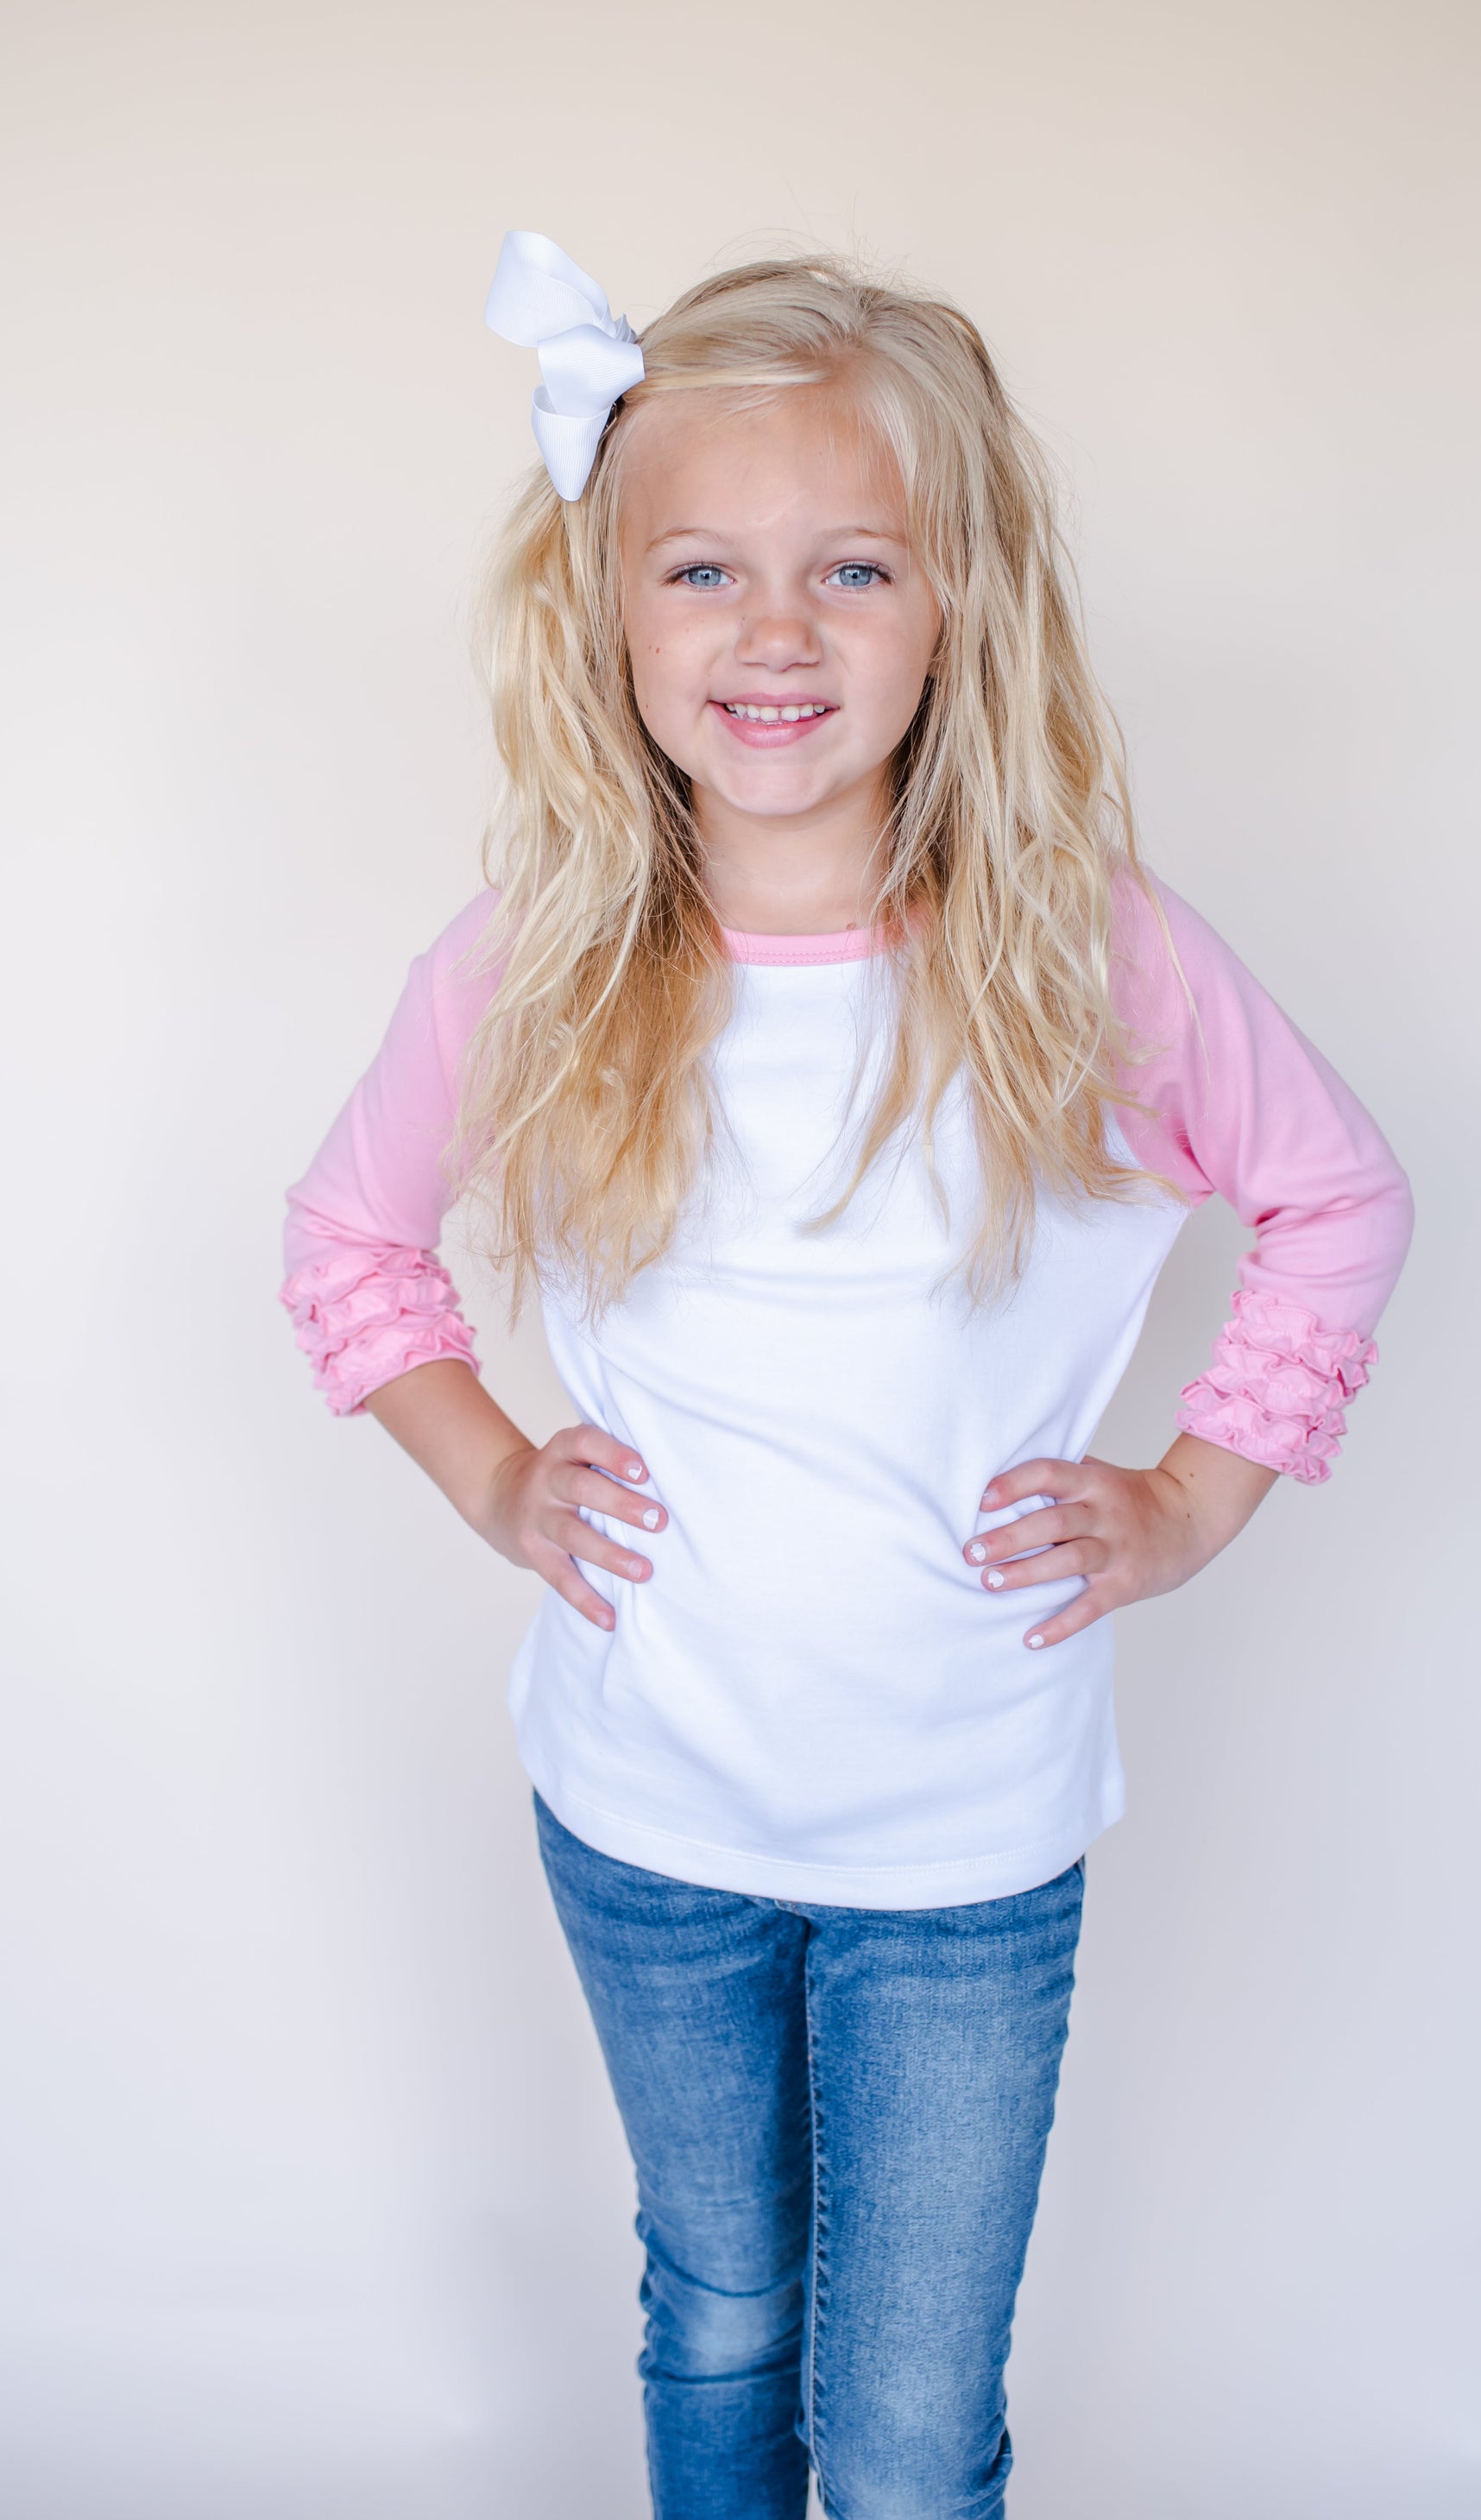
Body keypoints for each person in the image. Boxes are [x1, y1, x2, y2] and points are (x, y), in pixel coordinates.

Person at [280, 232, 1413, 2520]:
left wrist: (1189, 1498)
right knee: (717, 2307)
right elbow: (347, 1242)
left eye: (853, 569)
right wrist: (495, 1475)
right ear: (608, 611)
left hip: (963, 1843)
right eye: (701, 568)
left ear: (956, 605)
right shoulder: (538, 962)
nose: (774, 632)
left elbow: (1338, 1198)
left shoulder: (1088, 956)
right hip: (644, 1809)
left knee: (903, 2430)